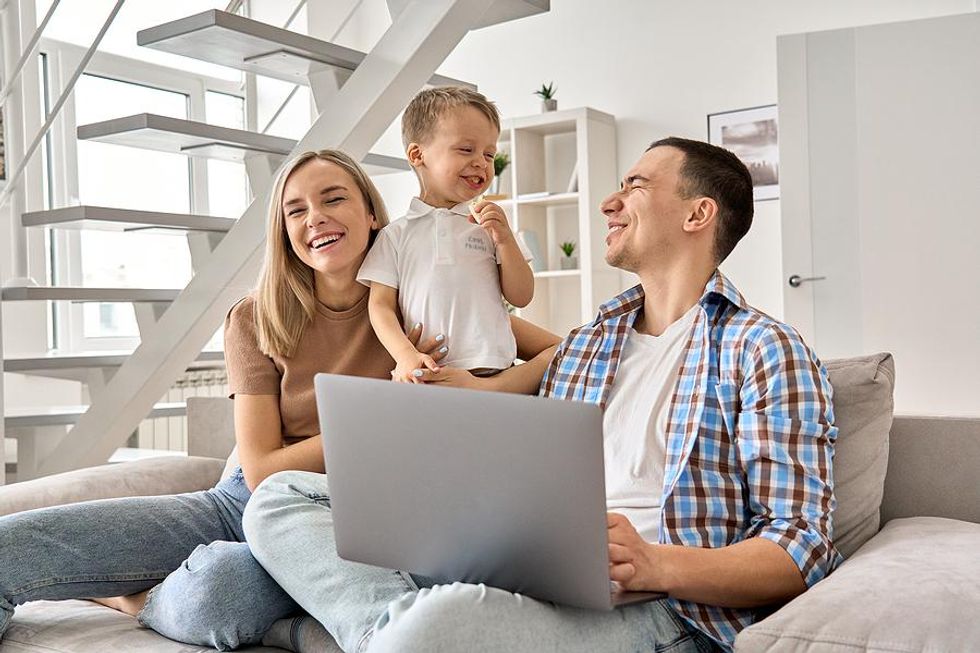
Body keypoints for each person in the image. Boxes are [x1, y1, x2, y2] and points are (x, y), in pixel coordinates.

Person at [241, 138, 843, 653]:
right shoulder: (586, 344)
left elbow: (802, 546)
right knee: (279, 497)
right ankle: (389, 633)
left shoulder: (764, 349)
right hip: (523, 563)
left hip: (655, 606)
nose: (609, 201)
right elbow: (503, 433)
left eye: (635, 185)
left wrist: (656, 563)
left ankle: (393, 631)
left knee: (440, 627)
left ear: (697, 214)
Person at [0, 149, 560, 652]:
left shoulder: (424, 299)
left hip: (349, 516)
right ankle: (159, 592)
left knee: (222, 596)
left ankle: (141, 599)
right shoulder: (255, 317)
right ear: (285, 230)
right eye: (296, 209)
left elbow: (567, 351)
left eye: (333, 197)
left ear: (371, 213)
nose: (314, 216)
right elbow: (263, 467)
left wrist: (481, 387)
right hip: (242, 499)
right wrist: (381, 409)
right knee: (10, 546)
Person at [358, 86, 535, 383]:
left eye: (489, 154)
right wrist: (404, 355)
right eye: (466, 149)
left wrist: (505, 241)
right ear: (418, 154)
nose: (482, 161)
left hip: (496, 370)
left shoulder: (491, 226)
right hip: (432, 371)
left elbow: (522, 296)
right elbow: (380, 306)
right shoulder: (395, 235)